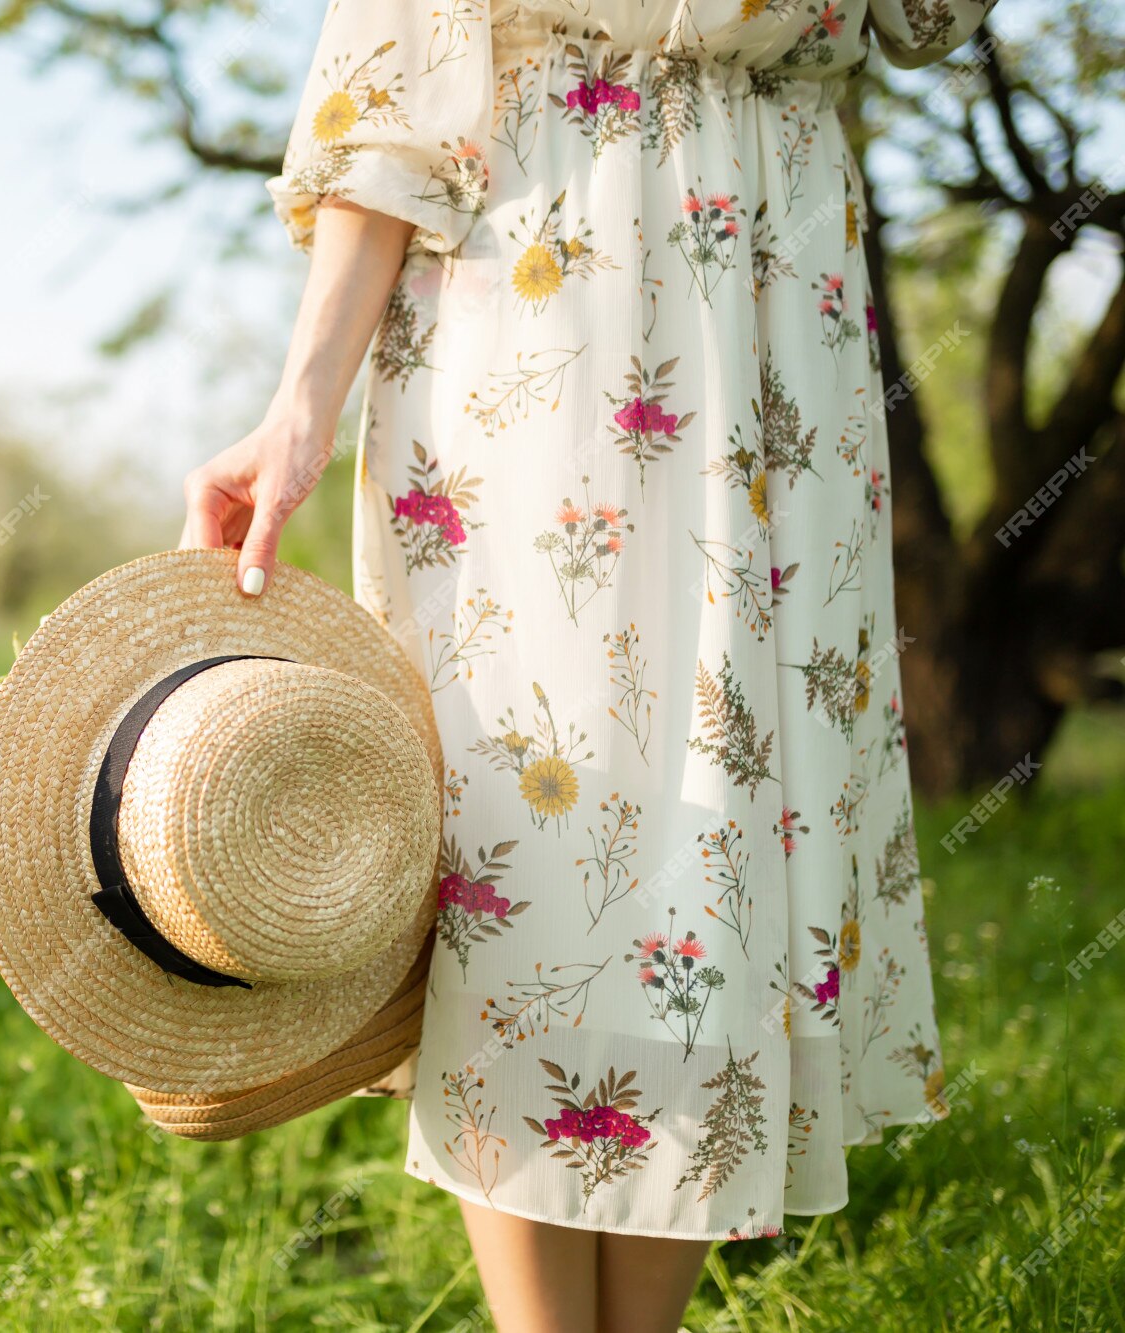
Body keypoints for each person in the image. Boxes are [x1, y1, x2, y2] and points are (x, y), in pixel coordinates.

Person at [179, 1, 997, 1329]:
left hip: (771, 264)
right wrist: (299, 409)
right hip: (537, 269)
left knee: (711, 843)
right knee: (527, 838)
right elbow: (387, 73)